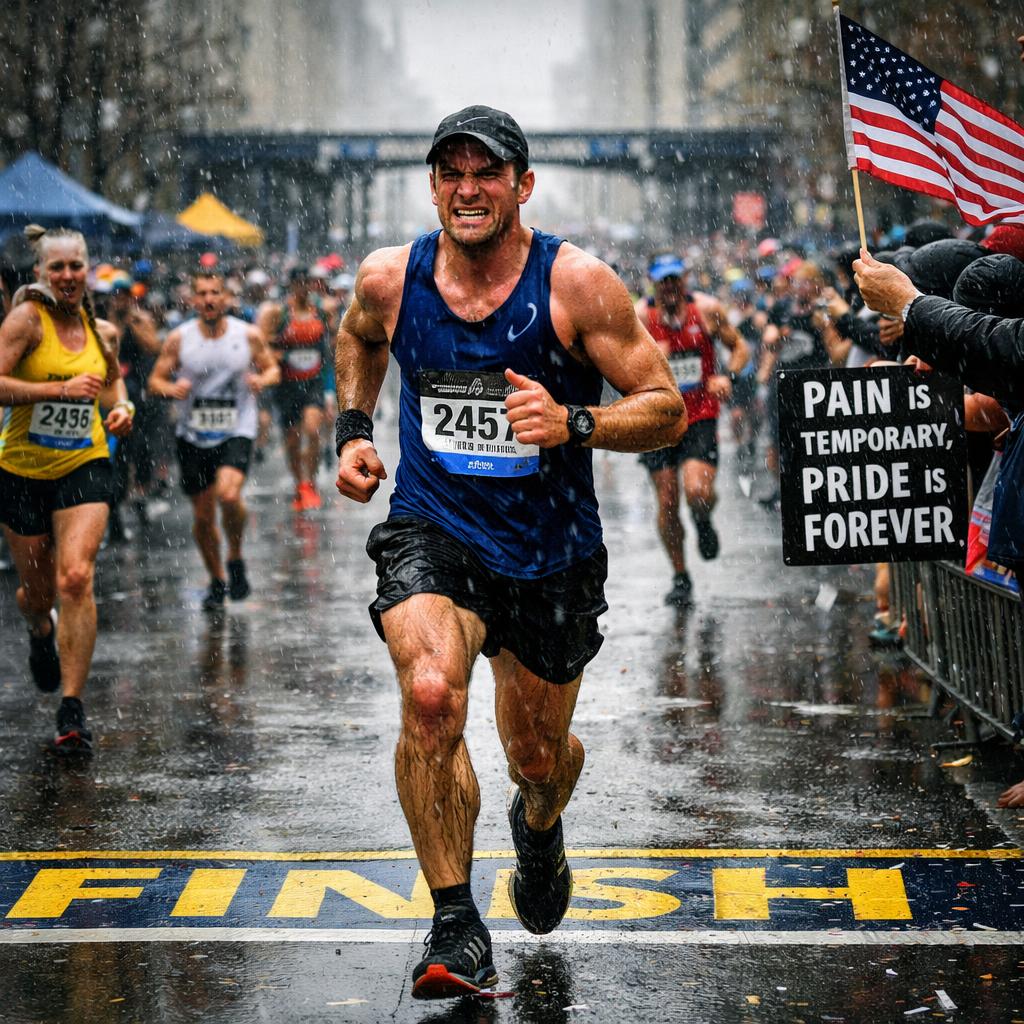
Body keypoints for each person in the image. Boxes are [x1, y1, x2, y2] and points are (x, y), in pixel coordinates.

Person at [333, 105, 686, 1000]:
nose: (467, 189)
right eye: (450, 172)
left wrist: (573, 422)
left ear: (522, 185)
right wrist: (352, 430)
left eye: (486, 173)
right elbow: (357, 337)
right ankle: (454, 924)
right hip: (434, 526)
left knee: (537, 754)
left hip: (550, 549)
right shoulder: (390, 278)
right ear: (433, 186)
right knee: (431, 694)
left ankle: (540, 822)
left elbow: (665, 407)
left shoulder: (578, 285)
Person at [0, 224, 135, 752]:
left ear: (87, 269)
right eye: (56, 267)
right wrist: (56, 388)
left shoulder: (102, 332)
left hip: (85, 462)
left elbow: (112, 387)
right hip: (22, 470)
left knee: (76, 576)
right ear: (40, 274)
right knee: (37, 593)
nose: (67, 275)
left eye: (75, 266)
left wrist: (122, 409)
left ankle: (72, 708)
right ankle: (40, 630)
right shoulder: (25, 321)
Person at [148, 269, 279, 611]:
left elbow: (272, 368)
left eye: (215, 292)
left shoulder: (247, 335)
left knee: (229, 493)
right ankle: (218, 579)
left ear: (226, 298)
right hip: (192, 434)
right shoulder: (179, 339)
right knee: (204, 517)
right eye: (202, 293)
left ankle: (234, 555)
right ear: (192, 299)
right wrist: (171, 388)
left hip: (237, 428)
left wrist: (261, 380)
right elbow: (155, 380)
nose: (208, 299)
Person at [636, 254, 748, 605]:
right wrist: (652, 358)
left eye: (675, 280)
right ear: (653, 283)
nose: (670, 287)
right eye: (663, 281)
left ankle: (702, 521)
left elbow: (740, 347)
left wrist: (724, 376)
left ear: (684, 280)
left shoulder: (707, 308)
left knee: (696, 491)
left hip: (699, 413)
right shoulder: (641, 317)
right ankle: (680, 576)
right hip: (658, 419)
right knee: (667, 501)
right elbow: (622, 366)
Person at [257, 267, 331, 510]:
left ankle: (311, 482)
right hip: (287, 384)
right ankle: (299, 483)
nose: (303, 288)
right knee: (291, 440)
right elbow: (261, 344)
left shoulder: (321, 310)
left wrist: (331, 386)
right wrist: (274, 355)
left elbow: (331, 347)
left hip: (313, 382)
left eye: (306, 283)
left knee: (312, 430)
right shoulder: (278, 313)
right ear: (290, 285)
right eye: (298, 283)